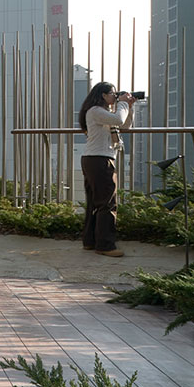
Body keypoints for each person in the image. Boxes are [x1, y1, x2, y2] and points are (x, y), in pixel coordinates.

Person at [79, 81, 135, 258]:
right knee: (107, 203)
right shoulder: (96, 111)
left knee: (95, 203)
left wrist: (129, 106)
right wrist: (123, 103)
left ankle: (90, 241)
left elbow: (124, 125)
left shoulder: (103, 113)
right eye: (113, 93)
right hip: (100, 160)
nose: (115, 96)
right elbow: (118, 119)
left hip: (95, 160)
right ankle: (105, 245)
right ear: (103, 95)